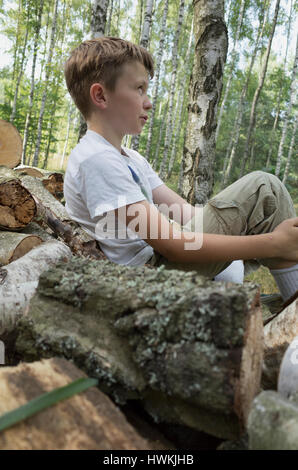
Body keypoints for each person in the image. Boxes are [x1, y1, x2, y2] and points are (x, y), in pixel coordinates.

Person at [63, 36, 298, 302]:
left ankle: (291, 302)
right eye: (139, 88)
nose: (148, 102)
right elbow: (174, 246)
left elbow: (187, 214)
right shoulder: (95, 159)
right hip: (144, 279)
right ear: (101, 95)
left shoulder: (131, 158)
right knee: (263, 189)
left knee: (263, 200)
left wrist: (245, 223)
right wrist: (273, 243)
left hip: (160, 265)